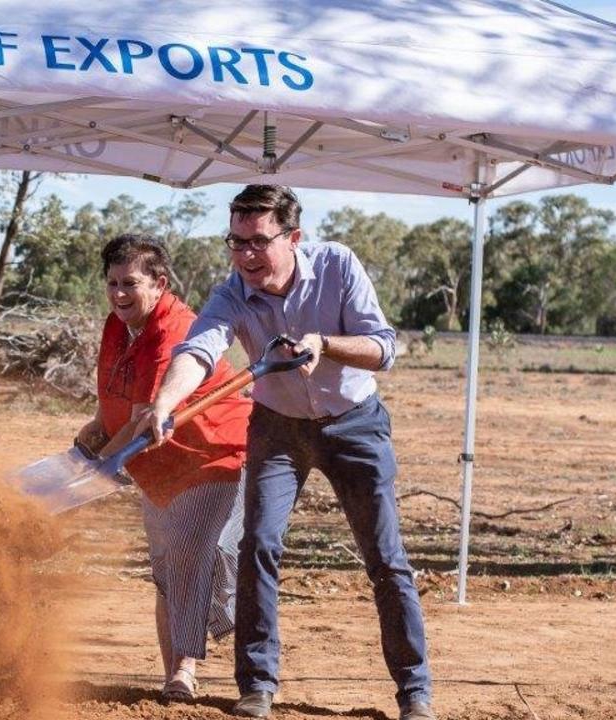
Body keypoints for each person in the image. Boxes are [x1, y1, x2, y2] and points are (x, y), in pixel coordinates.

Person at [135, 185, 434, 720]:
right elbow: (198, 350)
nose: (246, 255)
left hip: (354, 423)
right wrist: (164, 402)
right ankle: (257, 686)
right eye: (236, 241)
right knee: (257, 546)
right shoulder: (231, 293)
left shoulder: (338, 265)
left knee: (385, 559)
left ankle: (415, 692)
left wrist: (326, 343)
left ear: (293, 237)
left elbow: (383, 348)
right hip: (276, 427)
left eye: (258, 241)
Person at [75, 234, 252, 703]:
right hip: (155, 467)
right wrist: (89, 437)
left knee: (190, 554)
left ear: (159, 283)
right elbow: (114, 403)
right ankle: (171, 673)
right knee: (165, 570)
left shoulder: (173, 328)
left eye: (130, 283)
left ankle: (185, 670)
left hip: (213, 455)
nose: (118, 294)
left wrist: (89, 477)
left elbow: (144, 417)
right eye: (112, 283)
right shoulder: (118, 325)